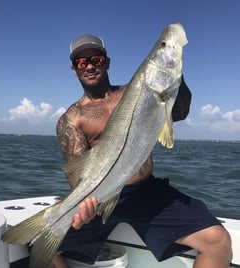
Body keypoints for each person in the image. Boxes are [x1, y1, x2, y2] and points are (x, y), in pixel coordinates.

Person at [50, 34, 231, 268]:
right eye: (82, 62)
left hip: (145, 193)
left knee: (218, 241)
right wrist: (80, 206)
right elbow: (78, 176)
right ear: (74, 70)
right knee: (43, 246)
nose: (90, 66)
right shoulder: (71, 119)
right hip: (99, 198)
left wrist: (174, 71)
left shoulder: (137, 91)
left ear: (107, 62)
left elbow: (179, 112)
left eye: (96, 59)